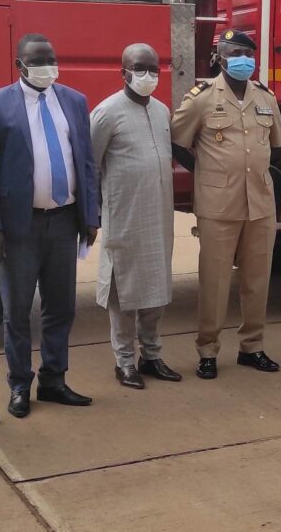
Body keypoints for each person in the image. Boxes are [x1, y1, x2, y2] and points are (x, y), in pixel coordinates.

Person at [0, 34, 98, 415]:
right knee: (16, 312)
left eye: (51, 59)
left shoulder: (75, 101)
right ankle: (19, 384)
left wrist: (90, 215)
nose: (47, 66)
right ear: (20, 65)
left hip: (64, 222)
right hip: (19, 227)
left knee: (61, 307)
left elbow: (86, 162)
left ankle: (54, 378)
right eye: (37, 61)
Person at [170, 29, 281, 379]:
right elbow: (176, 139)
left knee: (257, 280)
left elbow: (276, 141)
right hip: (218, 204)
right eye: (235, 53)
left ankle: (253, 346)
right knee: (215, 281)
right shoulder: (202, 97)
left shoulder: (266, 97)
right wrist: (203, 168)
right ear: (220, 57)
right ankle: (208, 349)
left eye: (247, 54)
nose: (243, 59)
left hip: (261, 203)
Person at [90, 44, 181, 389]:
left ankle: (152, 356)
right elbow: (91, 167)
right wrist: (94, 214)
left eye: (153, 69)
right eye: (139, 68)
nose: (148, 75)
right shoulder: (106, 113)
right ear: (123, 72)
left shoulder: (161, 111)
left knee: (156, 287)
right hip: (124, 216)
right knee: (123, 292)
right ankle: (124, 362)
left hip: (157, 215)